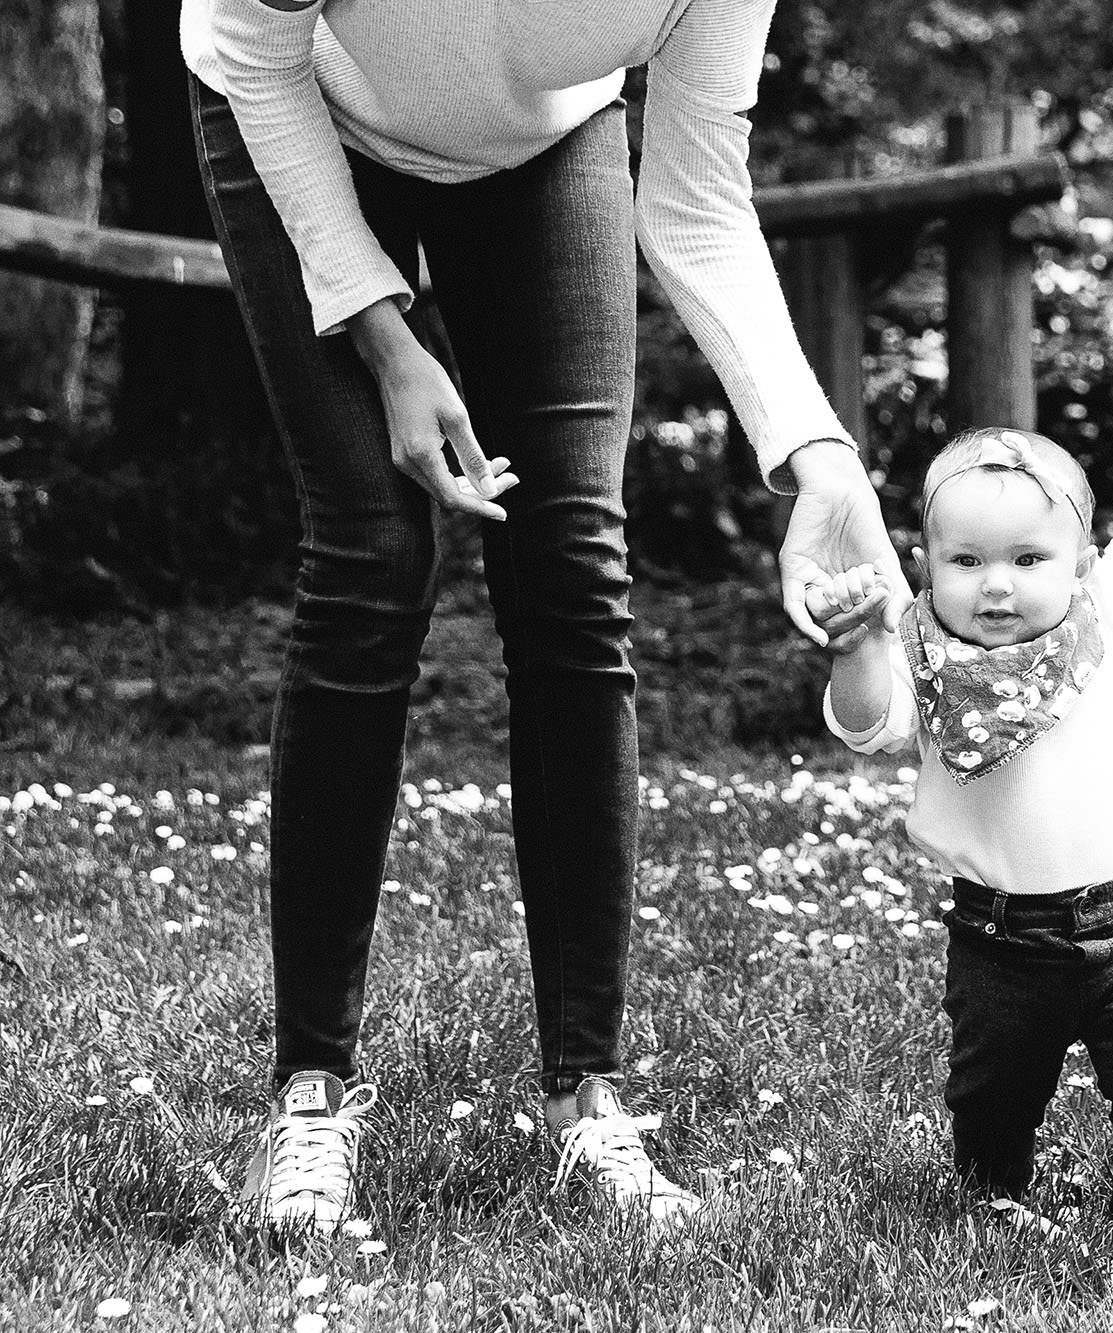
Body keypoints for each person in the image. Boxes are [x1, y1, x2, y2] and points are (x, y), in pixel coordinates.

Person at [182, 0, 901, 1232]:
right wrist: (385, 337)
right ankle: (309, 1092)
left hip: (547, 147)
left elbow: (696, 203)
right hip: (291, 105)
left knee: (573, 567)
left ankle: (588, 1096)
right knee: (368, 552)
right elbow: (253, 46)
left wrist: (813, 450)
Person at [809, 381, 1113, 1243]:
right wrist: (854, 648)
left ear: (1082, 563)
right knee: (992, 1087)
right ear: (926, 565)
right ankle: (994, 1194)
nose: (997, 585)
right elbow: (864, 725)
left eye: (1029, 559)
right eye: (966, 561)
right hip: (998, 937)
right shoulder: (920, 654)